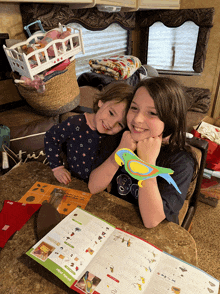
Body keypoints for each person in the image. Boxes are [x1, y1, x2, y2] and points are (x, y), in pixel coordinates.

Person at [88, 77, 198, 228]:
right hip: (118, 219)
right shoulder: (122, 138)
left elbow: (151, 221)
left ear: (171, 119)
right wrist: (121, 151)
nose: (137, 119)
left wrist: (147, 163)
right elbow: (93, 186)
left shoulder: (181, 162)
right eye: (134, 108)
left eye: (152, 113)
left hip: (156, 234)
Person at [44, 82, 133, 185]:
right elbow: (51, 137)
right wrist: (57, 168)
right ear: (101, 102)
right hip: (73, 182)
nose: (111, 124)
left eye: (120, 124)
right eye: (111, 113)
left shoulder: (116, 137)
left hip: (99, 188)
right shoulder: (74, 123)